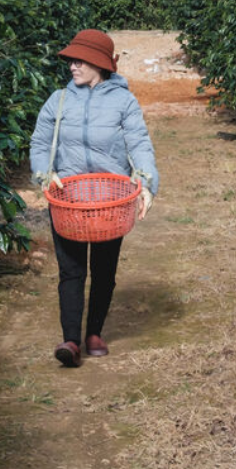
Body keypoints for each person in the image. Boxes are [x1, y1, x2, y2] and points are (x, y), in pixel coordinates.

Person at [30, 29, 159, 368]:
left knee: (103, 270)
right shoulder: (58, 100)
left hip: (108, 203)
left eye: (80, 60)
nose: (72, 65)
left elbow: (139, 144)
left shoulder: (123, 102)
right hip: (68, 200)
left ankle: (95, 333)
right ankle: (71, 340)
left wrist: (146, 183)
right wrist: (45, 172)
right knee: (70, 271)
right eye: (71, 59)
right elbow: (41, 143)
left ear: (100, 64)